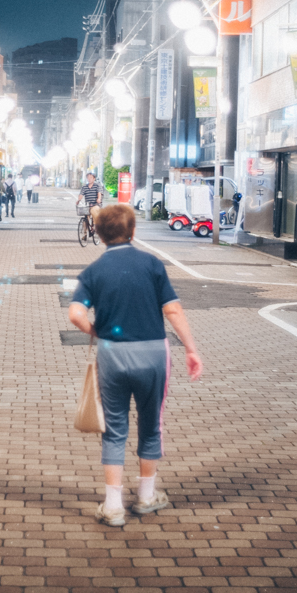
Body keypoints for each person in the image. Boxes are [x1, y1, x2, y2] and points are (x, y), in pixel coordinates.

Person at [67, 204, 202, 527]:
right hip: (153, 353)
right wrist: (192, 349)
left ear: (98, 235)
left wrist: (95, 331)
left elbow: (75, 314)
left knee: (114, 429)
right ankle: (146, 497)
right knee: (151, 423)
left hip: (112, 354)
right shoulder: (152, 265)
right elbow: (173, 311)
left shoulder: (93, 272)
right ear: (133, 232)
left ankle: (113, 507)